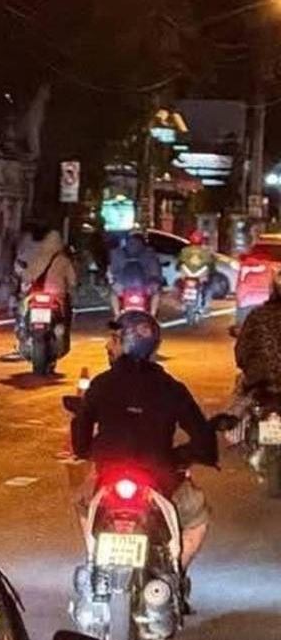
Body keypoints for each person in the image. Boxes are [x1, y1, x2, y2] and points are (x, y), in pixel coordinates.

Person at [70, 311, 217, 577]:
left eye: (114, 339)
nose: (107, 346)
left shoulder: (101, 385)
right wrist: (178, 457)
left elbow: (80, 442)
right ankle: (174, 575)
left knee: (83, 503)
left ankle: (93, 560)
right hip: (159, 475)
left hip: (108, 476)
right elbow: (203, 439)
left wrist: (95, 453)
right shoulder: (171, 388)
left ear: (125, 344)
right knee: (197, 518)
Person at [107, 230, 162, 318]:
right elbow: (155, 270)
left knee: (113, 293)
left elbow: (113, 271)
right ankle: (152, 315)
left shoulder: (118, 252)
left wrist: (114, 280)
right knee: (156, 293)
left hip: (123, 286)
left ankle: (117, 315)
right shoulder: (149, 252)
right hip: (145, 286)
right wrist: (156, 280)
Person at [176, 230, 216, 311]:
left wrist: (179, 269)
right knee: (209, 287)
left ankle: (181, 303)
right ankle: (205, 305)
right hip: (200, 275)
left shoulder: (184, 250)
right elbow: (211, 265)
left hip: (187, 275)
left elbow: (179, 263)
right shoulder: (206, 252)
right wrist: (211, 271)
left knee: (178, 285)